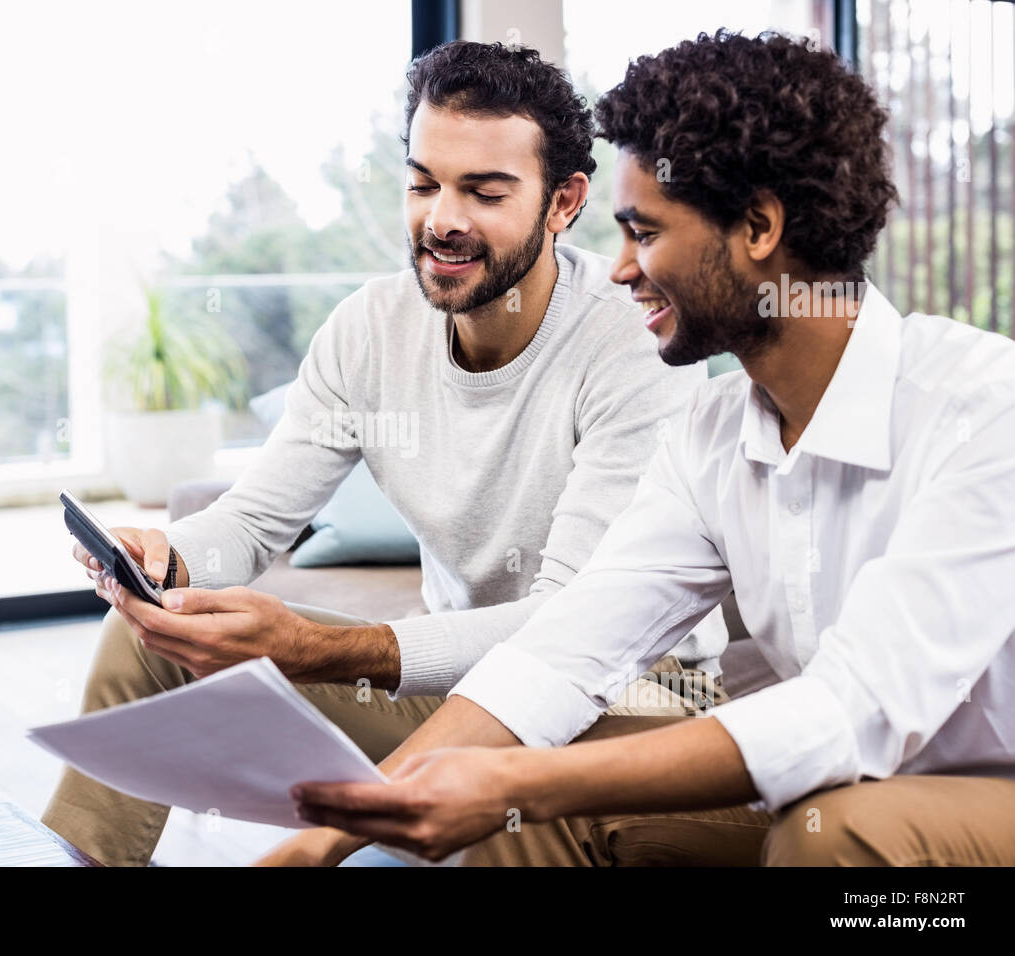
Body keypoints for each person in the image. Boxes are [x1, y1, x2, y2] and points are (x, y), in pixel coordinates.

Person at [275, 29, 1015, 867]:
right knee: (528, 810)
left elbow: (854, 708)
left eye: (645, 232)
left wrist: (517, 785)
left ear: (759, 227)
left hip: (982, 795)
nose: (620, 269)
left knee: (844, 838)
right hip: (830, 787)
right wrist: (329, 839)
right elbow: (561, 654)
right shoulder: (712, 436)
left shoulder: (985, 410)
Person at [41, 40, 727, 866]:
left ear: (564, 202)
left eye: (484, 191)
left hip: (633, 698)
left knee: (524, 767)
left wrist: (315, 646)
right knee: (149, 638)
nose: (442, 218)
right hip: (451, 684)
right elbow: (257, 521)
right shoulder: (370, 328)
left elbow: (566, 630)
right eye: (423, 182)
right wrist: (172, 560)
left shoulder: (631, 347)